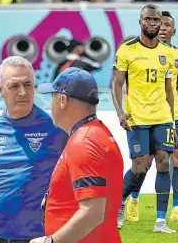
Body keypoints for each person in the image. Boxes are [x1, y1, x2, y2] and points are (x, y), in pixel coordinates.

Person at [0, 56, 68, 243]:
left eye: (28, 85)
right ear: (1, 90)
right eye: (14, 86)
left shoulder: (57, 129)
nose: (22, 92)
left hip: (38, 237)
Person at [31, 67, 124, 243]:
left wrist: (50, 242)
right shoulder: (93, 134)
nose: (50, 105)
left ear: (62, 100)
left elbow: (92, 212)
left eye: (52, 97)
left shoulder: (84, 141)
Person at [126, 11, 178, 223]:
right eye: (162, 24)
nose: (164, 28)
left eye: (168, 25)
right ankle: (133, 198)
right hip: (149, 115)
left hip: (173, 114)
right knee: (146, 163)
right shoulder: (140, 51)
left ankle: (177, 210)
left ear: (173, 31)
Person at [112, 4, 177, 233]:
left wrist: (173, 118)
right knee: (140, 166)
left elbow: (169, 89)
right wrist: (120, 112)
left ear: (160, 22)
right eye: (147, 19)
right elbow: (117, 83)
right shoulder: (127, 50)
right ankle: (119, 202)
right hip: (137, 117)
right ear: (140, 22)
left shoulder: (167, 53)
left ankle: (161, 221)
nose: (152, 23)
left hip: (162, 116)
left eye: (155, 20)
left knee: (163, 162)